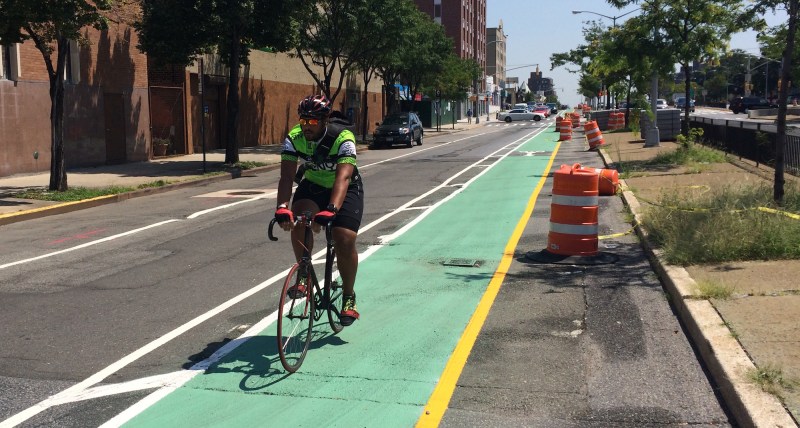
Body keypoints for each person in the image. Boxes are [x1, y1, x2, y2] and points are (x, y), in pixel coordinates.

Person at [274, 94, 364, 326]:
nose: (306, 127)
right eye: (303, 121)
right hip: (313, 184)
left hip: (345, 187)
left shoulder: (343, 138)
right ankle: (304, 271)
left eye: (312, 122)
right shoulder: (294, 138)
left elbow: (343, 177)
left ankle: (348, 297)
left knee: (343, 237)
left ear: (325, 121)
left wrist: (331, 209)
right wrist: (282, 207)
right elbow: (286, 177)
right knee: (299, 220)